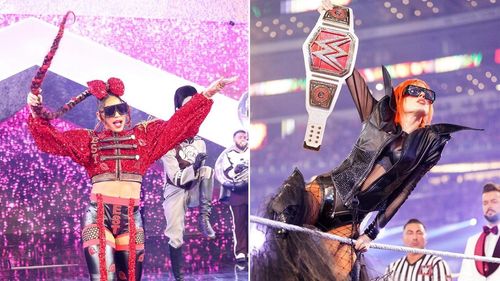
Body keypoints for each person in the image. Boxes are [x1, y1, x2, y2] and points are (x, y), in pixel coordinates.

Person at [252, 26, 478, 281]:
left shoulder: (429, 146)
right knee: (284, 215)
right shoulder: (377, 117)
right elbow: (350, 75)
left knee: (332, 274)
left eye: (429, 95)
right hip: (325, 193)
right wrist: (336, 26)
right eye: (415, 91)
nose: (423, 96)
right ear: (401, 96)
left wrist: (371, 232)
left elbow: (404, 190)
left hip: (351, 218)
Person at [26, 14, 236, 280]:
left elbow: (178, 124)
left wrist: (208, 93)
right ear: (101, 116)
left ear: (127, 112)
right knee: (104, 276)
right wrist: (35, 109)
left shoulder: (145, 137)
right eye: (110, 111)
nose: (116, 115)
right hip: (98, 216)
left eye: (121, 109)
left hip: (132, 217)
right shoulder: (90, 141)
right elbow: (50, 139)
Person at [161, 85, 216, 281]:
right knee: (175, 235)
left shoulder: (200, 142)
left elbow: (203, 175)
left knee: (208, 170)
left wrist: (199, 167)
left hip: (193, 190)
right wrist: (194, 168)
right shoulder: (168, 140)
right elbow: (175, 177)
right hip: (175, 190)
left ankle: (204, 218)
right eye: (187, 106)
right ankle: (179, 276)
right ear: (178, 110)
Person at [385, 219, 452, 281]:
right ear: (403, 239)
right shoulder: (392, 267)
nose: (415, 237)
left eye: (419, 233)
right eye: (410, 233)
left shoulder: (437, 263)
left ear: (426, 238)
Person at [458, 183, 500, 281]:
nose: (489, 206)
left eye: (494, 201)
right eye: (485, 203)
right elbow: (464, 276)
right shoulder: (472, 241)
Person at [220, 130, 249, 263]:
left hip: (250, 189)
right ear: (234, 139)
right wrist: (236, 170)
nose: (243, 138)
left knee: (252, 223)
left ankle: (252, 249)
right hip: (237, 192)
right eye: (240, 137)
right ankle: (241, 252)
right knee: (239, 223)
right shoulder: (228, 154)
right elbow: (225, 174)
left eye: (245, 136)